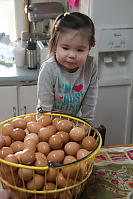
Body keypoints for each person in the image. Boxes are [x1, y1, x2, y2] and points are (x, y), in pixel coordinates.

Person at [37, 12, 98, 123]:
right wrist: (47, 133)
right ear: (56, 45)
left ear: (90, 48)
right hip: (49, 124)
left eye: (80, 50)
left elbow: (90, 102)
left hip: (73, 125)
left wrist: (86, 124)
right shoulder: (49, 69)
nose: (72, 55)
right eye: (65, 48)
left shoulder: (90, 66)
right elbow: (45, 110)